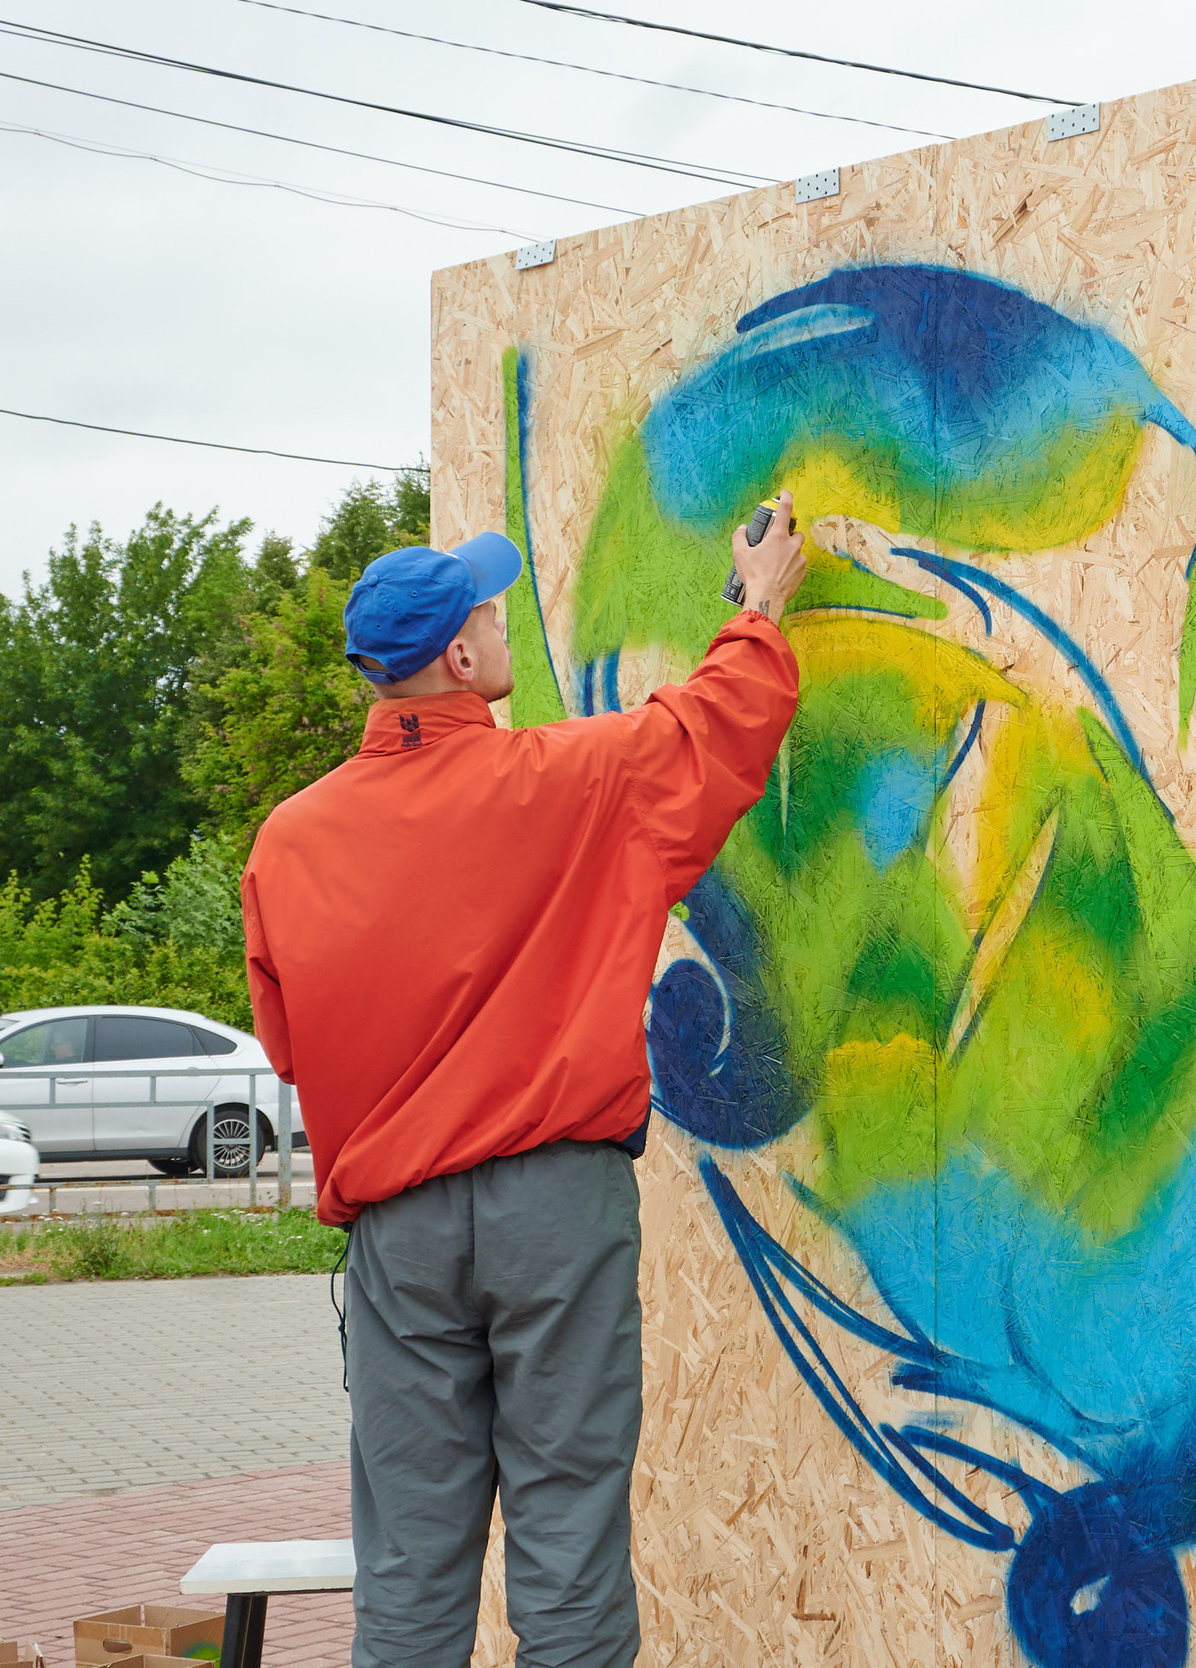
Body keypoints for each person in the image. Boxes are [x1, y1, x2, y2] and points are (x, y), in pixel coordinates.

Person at [241, 495, 809, 1668]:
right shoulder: (572, 781)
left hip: (396, 1237)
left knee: (408, 1570)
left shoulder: (287, 843)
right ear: (457, 656)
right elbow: (717, 726)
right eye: (492, 614)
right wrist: (758, 605)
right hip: (554, 1215)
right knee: (566, 1547)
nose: (505, 627)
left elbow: (292, 1051)